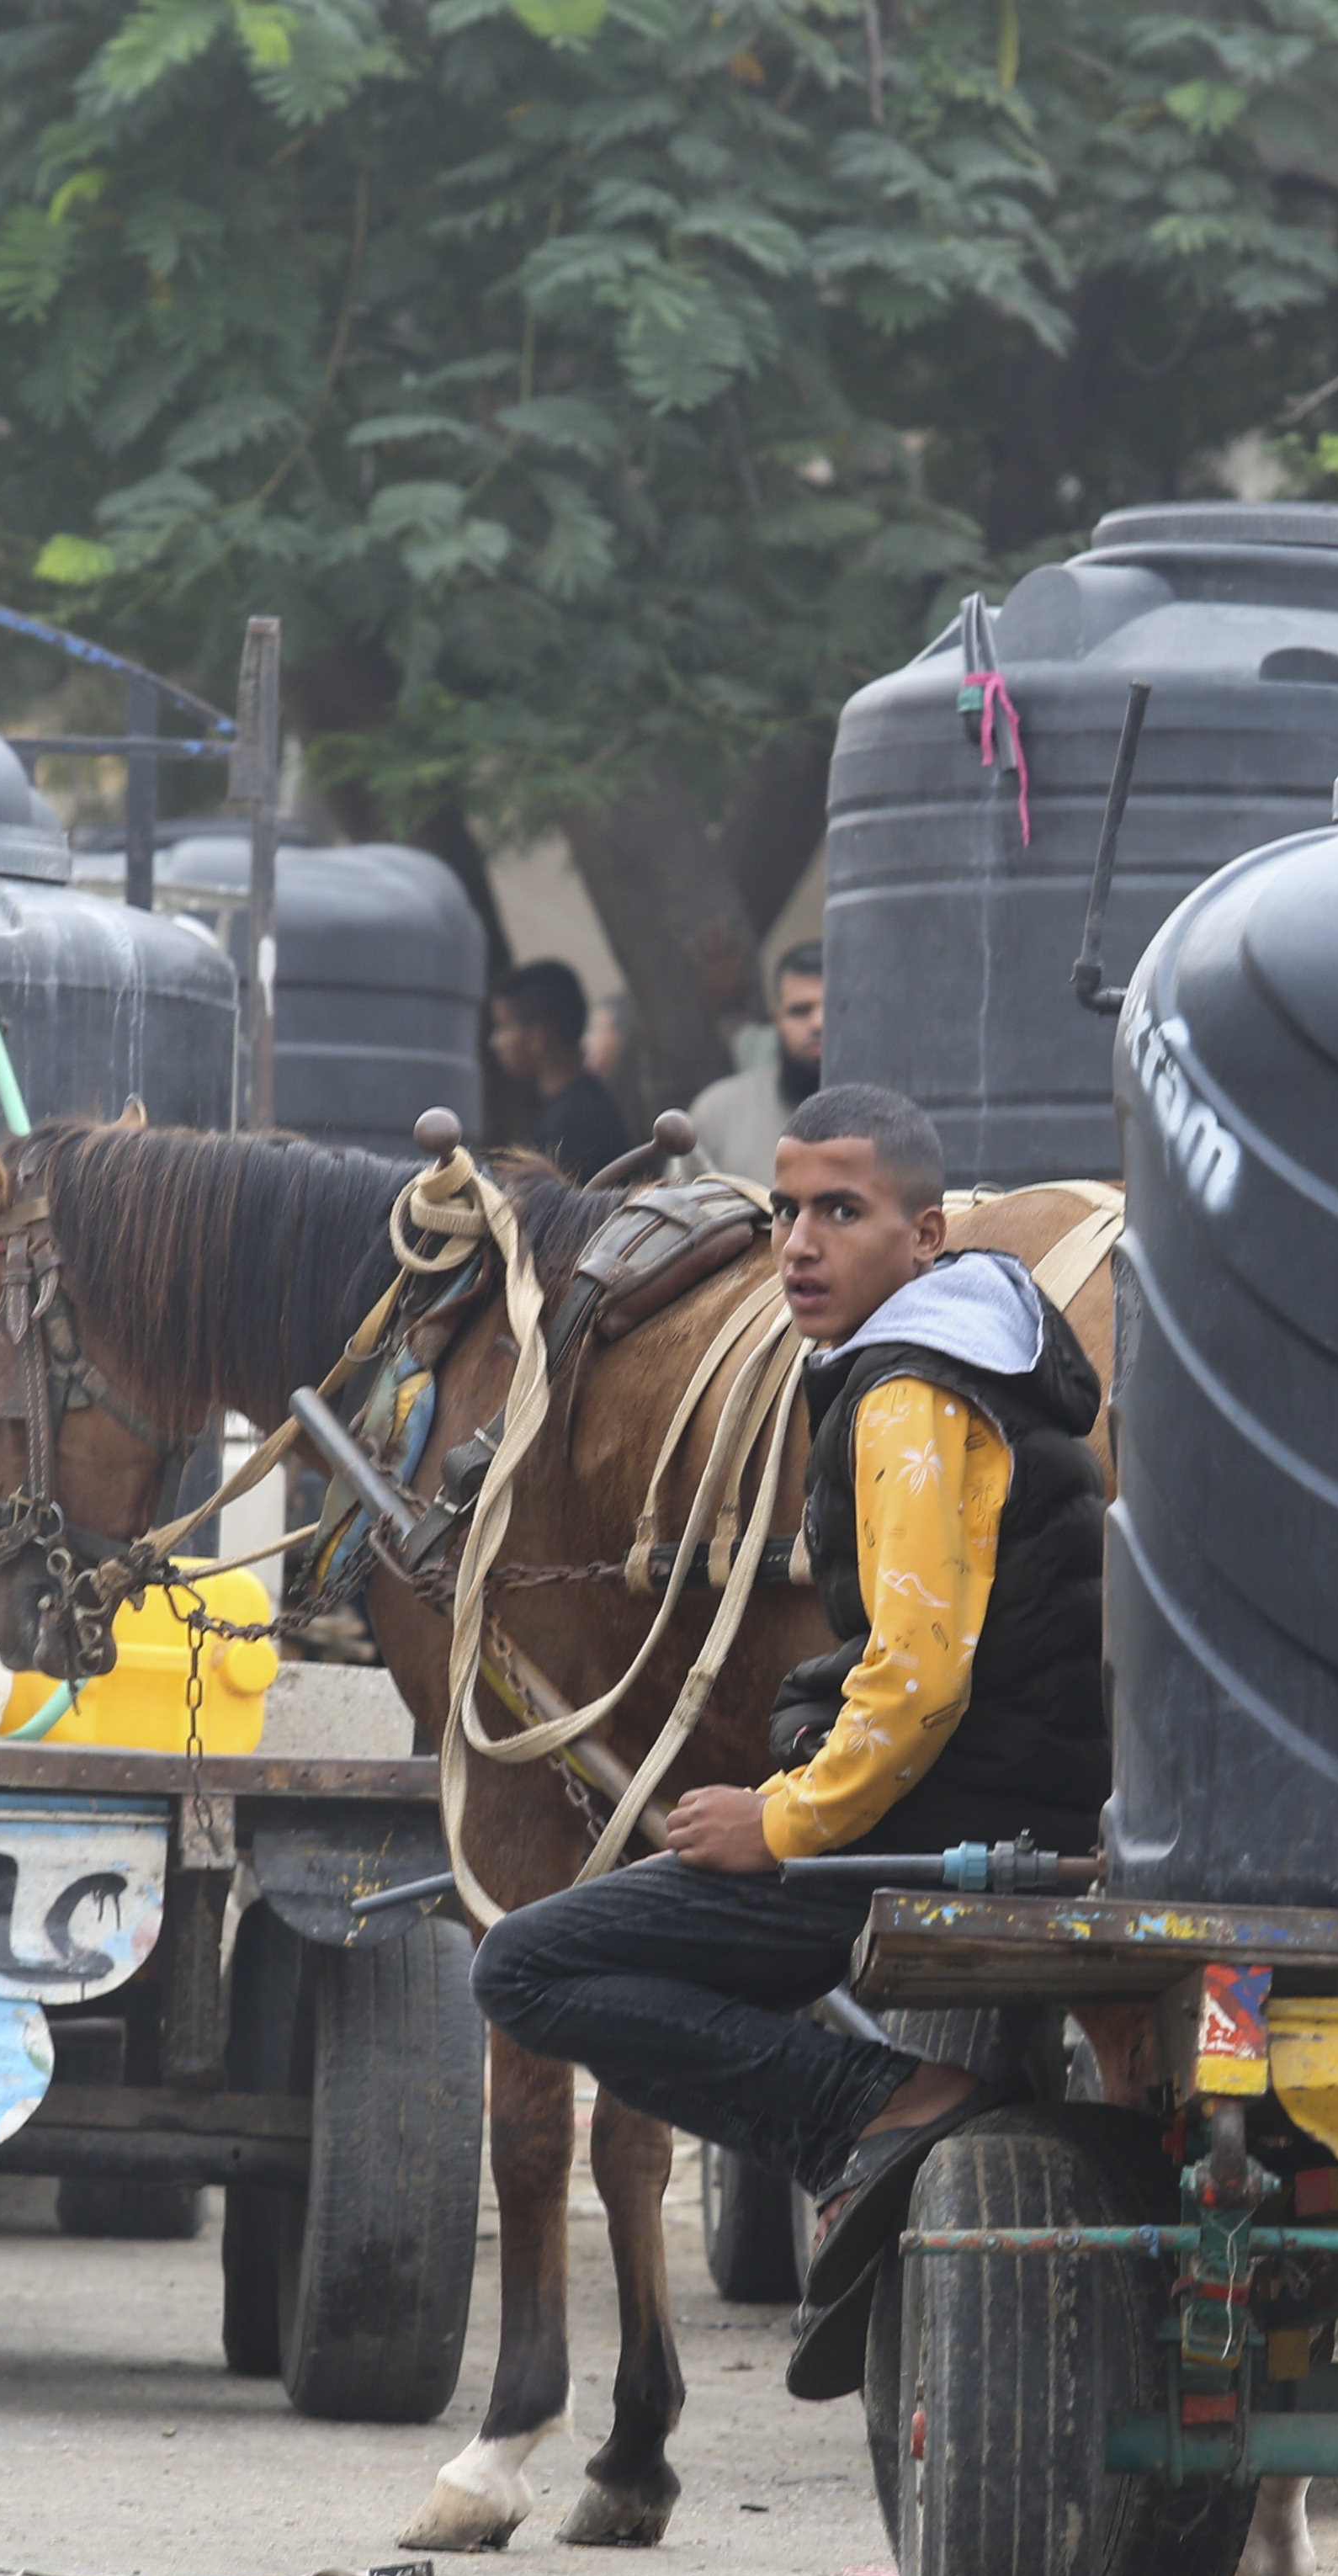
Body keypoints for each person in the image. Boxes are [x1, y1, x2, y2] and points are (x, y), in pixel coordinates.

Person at [468, 1082, 1111, 2393]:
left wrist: (782, 1821)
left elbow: (920, 1678)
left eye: (842, 1212)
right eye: (784, 1212)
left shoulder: (908, 1397)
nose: (800, 1244)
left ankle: (875, 2115)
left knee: (529, 1968)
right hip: (1002, 1809)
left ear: (927, 1238)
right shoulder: (984, 1356)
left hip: (938, 1835)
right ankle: (880, 2118)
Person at [686, 940, 826, 1185]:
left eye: (836, 1008)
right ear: (777, 1019)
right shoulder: (717, 1115)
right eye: (801, 1010)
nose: (818, 1023)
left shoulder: (902, 1108)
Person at [489, 960, 628, 1177]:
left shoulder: (575, 1123)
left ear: (538, 1039)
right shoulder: (577, 1106)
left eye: (504, 1028)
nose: (495, 1042)